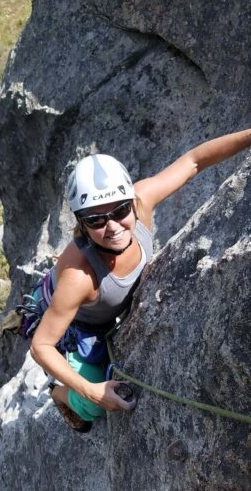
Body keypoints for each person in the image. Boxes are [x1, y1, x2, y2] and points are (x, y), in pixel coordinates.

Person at [29, 129, 251, 432]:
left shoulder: (142, 200)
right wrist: (91, 391)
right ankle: (59, 393)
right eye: (95, 220)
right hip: (79, 329)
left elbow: (195, 161)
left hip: (107, 309)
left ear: (131, 202)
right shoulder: (79, 276)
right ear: (81, 222)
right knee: (92, 408)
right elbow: (41, 345)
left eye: (120, 211)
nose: (112, 227)